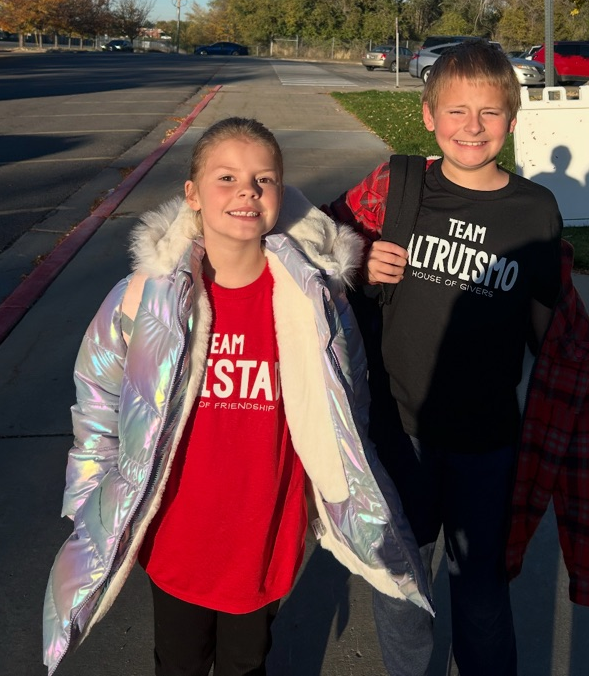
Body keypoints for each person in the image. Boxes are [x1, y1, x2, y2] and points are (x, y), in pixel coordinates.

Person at [43, 117, 431, 676]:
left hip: (263, 535)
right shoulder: (144, 299)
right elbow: (97, 399)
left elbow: (348, 404)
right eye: (226, 178)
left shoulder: (312, 302)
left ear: (281, 194)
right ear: (192, 195)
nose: (246, 191)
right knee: (177, 663)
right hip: (176, 536)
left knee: (248, 663)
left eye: (263, 179)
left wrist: (327, 498)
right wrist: (91, 500)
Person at [327, 41, 589, 676]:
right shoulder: (398, 186)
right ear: (429, 115)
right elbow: (314, 243)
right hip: (400, 433)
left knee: (481, 593)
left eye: (488, 112)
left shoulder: (534, 210)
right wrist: (358, 260)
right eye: (456, 111)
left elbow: (554, 328)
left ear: (512, 119)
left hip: (489, 442)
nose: (471, 127)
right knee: (402, 588)